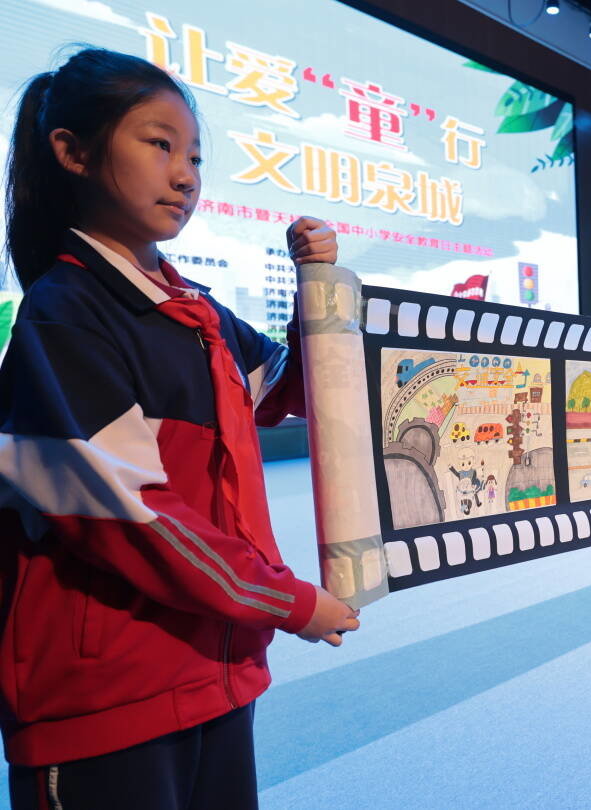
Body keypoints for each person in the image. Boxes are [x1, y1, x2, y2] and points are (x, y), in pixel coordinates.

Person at [0, 48, 359, 810]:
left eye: (194, 155)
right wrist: (287, 602)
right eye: (159, 144)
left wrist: (317, 291)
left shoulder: (196, 312)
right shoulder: (64, 314)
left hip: (212, 676)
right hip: (106, 703)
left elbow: (294, 392)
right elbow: (131, 516)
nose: (186, 175)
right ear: (72, 152)